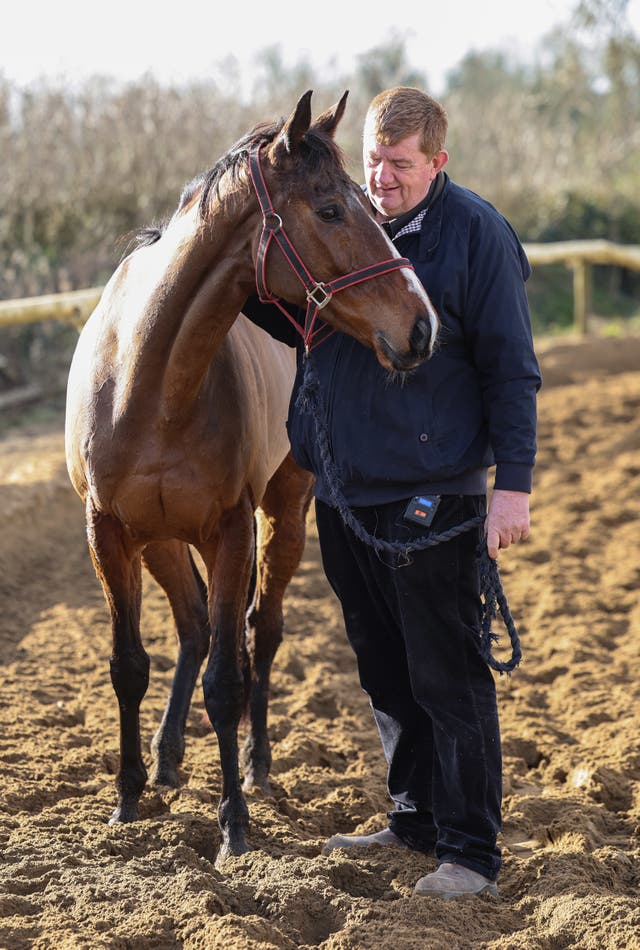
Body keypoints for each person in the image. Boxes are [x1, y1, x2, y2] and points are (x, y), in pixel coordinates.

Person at [243, 86, 541, 899]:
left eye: (400, 163)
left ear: (437, 162)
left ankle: (471, 852)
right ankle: (413, 821)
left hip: (433, 493)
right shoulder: (356, 225)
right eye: (374, 158)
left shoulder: (475, 233)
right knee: (384, 669)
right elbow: (307, 315)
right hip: (343, 489)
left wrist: (510, 488)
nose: (383, 175)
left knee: (448, 672)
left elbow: (513, 370)